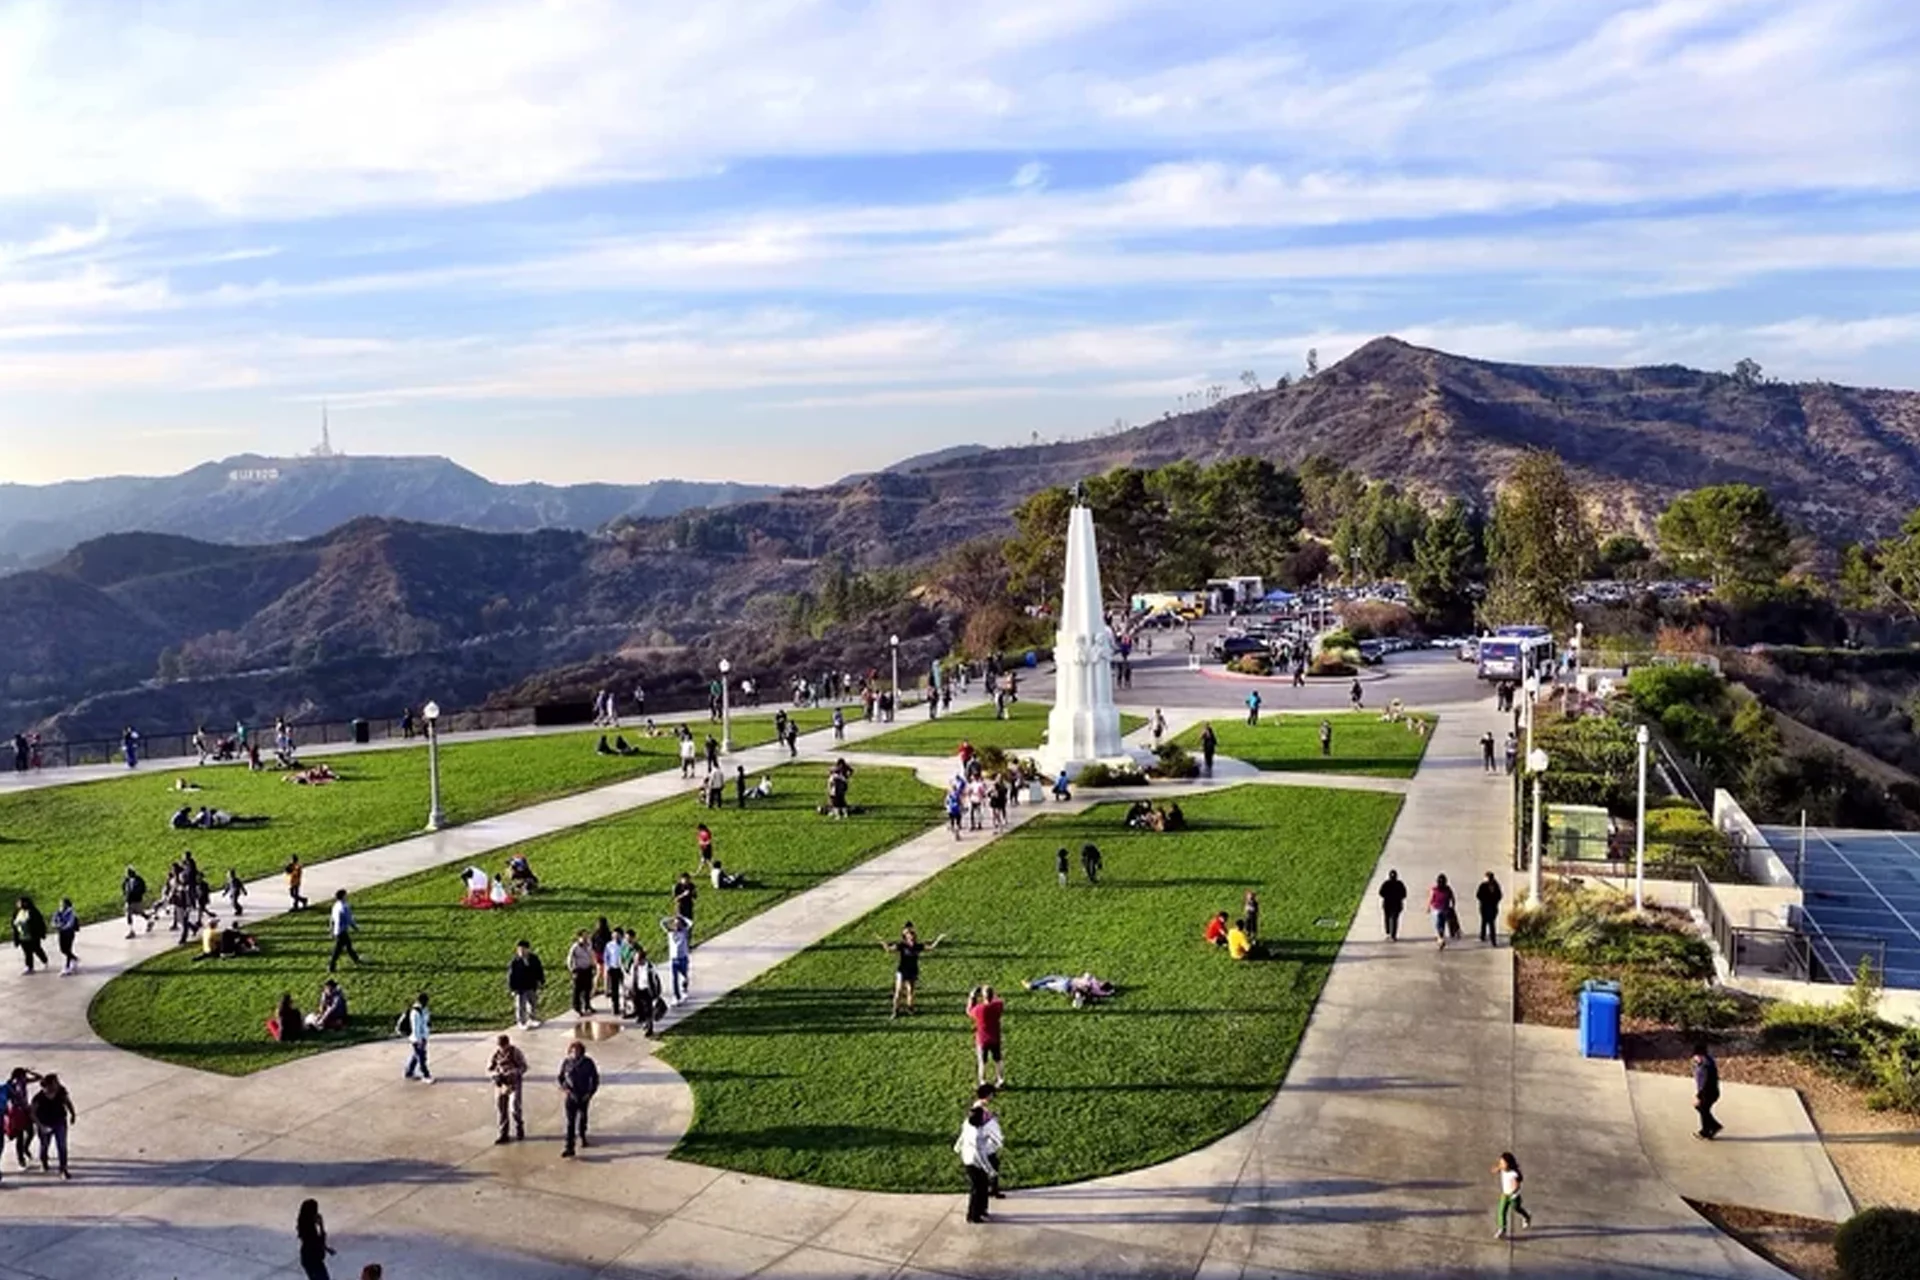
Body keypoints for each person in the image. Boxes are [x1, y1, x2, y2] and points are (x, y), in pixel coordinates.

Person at [879, 922, 944, 1018]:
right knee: (898, 991)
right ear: (906, 937)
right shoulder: (902, 945)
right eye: (910, 936)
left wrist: (939, 939)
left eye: (913, 936)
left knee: (910, 991)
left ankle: (910, 1008)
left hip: (913, 971)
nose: (912, 938)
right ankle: (895, 1011)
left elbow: (931, 947)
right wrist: (883, 942)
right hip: (902, 971)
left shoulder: (918, 946)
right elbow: (889, 950)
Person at [955, 1104, 1001, 1224]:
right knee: (977, 1189)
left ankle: (981, 1210)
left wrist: (957, 1147)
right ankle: (973, 1215)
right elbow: (981, 1156)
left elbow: (962, 1135)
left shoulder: (967, 1123)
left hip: (969, 1158)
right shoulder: (976, 1135)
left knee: (982, 1186)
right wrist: (990, 1170)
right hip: (974, 1163)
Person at [558, 1040, 600, 1158]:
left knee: (583, 1118)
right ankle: (569, 1147)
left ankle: (582, 1135)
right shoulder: (566, 1062)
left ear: (582, 1052)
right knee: (570, 1122)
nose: (574, 1053)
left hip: (584, 1096)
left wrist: (590, 1093)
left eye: (577, 1051)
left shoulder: (588, 1063)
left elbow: (595, 1079)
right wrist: (565, 1089)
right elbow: (561, 1078)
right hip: (571, 1096)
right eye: (572, 1051)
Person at [29, 1072, 74, 1179]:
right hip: (45, 1124)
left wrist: (72, 1113)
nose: (58, 1084)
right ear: (48, 1085)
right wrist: (40, 1126)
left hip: (60, 1122)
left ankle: (63, 1169)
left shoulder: (61, 1091)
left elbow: (67, 1102)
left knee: (62, 1146)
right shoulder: (38, 1098)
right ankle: (44, 1162)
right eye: (55, 1082)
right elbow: (32, 1113)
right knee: (45, 1145)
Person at [489, 1034, 529, 1144]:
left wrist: (513, 1072)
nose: (502, 1048)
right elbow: (489, 1068)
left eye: (503, 1046)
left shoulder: (515, 1052)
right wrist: (494, 1075)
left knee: (514, 1108)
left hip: (514, 1084)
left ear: (508, 1044)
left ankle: (519, 1125)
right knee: (501, 1109)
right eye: (500, 1046)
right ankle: (503, 1134)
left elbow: (524, 1067)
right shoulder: (496, 1054)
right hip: (501, 1084)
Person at [967, 986, 1006, 1089]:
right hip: (995, 1038)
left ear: (983, 997)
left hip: (982, 1040)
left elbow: (969, 1011)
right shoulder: (997, 1006)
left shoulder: (979, 1009)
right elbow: (999, 1000)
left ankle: (983, 1082)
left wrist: (972, 997)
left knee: (982, 1062)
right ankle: (1000, 1080)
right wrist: (993, 994)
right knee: (998, 1060)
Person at [1493, 1152, 1532, 1238]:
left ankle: (1527, 1216)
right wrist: (1497, 1169)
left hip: (1514, 1196)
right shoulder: (1503, 1169)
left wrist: (1513, 1192)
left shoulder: (1514, 1174)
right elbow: (1499, 1168)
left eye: (1503, 1163)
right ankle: (1502, 1229)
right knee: (1501, 1211)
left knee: (1516, 1208)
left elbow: (1517, 1185)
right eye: (1500, 1163)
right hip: (1505, 1194)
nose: (1501, 1165)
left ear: (1509, 1164)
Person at [509, 939, 546, 1029]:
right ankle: (521, 1021)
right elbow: (511, 976)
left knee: (533, 1003)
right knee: (521, 1005)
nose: (521, 951)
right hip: (520, 987)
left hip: (531, 985)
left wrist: (541, 980)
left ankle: (532, 1018)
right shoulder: (515, 961)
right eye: (519, 949)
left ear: (528, 949)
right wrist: (513, 989)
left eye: (523, 949)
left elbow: (539, 970)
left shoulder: (534, 959)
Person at [296, 1198, 336, 1280]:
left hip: (309, 1259)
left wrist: (326, 1249)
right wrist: (321, 1225)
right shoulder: (308, 1228)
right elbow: (318, 1241)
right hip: (313, 1260)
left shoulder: (305, 1225)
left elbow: (316, 1242)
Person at [1692, 1043, 1723, 1139]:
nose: (1694, 1058)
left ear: (1700, 1055)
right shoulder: (1705, 1062)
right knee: (1702, 1109)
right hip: (1709, 1091)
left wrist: (1699, 1095)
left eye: (1696, 1056)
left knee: (1702, 1108)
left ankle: (1708, 1130)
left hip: (1709, 1092)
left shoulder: (1706, 1065)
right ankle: (1712, 1128)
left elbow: (1705, 1082)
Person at [12, 896, 48, 974]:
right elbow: (14, 925)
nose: (18, 904)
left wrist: (42, 933)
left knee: (37, 949)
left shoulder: (33, 912)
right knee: (27, 952)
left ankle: (44, 960)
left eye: (19, 902)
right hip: (22, 936)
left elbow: (40, 923)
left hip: (33, 935)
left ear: (25, 903)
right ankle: (29, 967)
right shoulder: (17, 913)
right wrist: (16, 939)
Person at [660, 914, 691, 1004]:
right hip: (673, 959)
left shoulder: (684, 932)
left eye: (679, 924)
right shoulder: (670, 933)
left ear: (682, 924)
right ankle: (676, 996)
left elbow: (690, 923)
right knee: (674, 979)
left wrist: (682, 917)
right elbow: (662, 922)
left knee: (684, 977)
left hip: (683, 958)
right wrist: (672, 918)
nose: (677, 925)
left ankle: (684, 991)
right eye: (675, 924)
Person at [327, 889, 361, 972]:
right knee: (337, 950)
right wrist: (355, 927)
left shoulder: (336, 905)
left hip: (337, 930)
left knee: (348, 945)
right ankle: (331, 966)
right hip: (341, 931)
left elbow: (332, 918)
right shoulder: (344, 907)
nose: (347, 896)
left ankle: (356, 959)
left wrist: (331, 929)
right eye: (346, 895)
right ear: (343, 896)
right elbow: (349, 919)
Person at [402, 991, 432, 1082]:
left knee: (417, 1055)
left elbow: (426, 1022)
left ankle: (409, 1072)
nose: (427, 1003)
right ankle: (426, 1075)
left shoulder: (424, 1010)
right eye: (425, 1001)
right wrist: (419, 1041)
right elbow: (415, 1028)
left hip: (423, 1037)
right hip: (417, 1039)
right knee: (422, 1057)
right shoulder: (415, 1012)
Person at [567, 931, 597, 1016]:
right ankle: (577, 1007)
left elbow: (592, 956)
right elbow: (570, 958)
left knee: (588, 989)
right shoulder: (575, 947)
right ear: (579, 937)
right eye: (583, 937)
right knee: (577, 990)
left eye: (586, 936)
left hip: (588, 969)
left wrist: (593, 966)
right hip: (579, 970)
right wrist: (572, 969)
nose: (585, 938)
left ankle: (587, 1005)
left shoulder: (589, 945)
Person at [122, 864, 152, 937]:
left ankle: (150, 920)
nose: (127, 874)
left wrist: (138, 894)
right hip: (129, 901)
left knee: (140, 913)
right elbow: (123, 888)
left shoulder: (139, 880)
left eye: (129, 872)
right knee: (128, 915)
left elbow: (143, 889)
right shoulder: (126, 880)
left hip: (137, 900)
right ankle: (131, 930)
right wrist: (125, 895)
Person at [1429, 875, 1456, 951]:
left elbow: (1431, 898)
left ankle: (1440, 939)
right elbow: (1453, 898)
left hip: (1437, 909)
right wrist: (1453, 907)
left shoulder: (1435, 889)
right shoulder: (1447, 889)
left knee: (1438, 925)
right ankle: (1441, 939)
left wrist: (1428, 907)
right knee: (1441, 925)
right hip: (1444, 909)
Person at [1476, 873, 1504, 946]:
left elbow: (1499, 895)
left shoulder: (1494, 885)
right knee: (1485, 922)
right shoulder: (1483, 885)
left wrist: (1494, 901)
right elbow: (1478, 895)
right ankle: (1484, 936)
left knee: (1490, 923)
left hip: (1491, 907)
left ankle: (1492, 940)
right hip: (1486, 907)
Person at [52, 897, 78, 975]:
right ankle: (74, 958)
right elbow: (53, 921)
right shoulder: (58, 912)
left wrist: (62, 927)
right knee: (62, 949)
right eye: (60, 904)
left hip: (69, 933)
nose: (61, 905)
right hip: (61, 933)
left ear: (67, 904)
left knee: (67, 948)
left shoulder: (71, 913)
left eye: (63, 904)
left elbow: (70, 923)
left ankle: (67, 967)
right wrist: (55, 925)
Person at [1379, 870, 1408, 941]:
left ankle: (1389, 933)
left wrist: (1387, 896)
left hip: (1388, 904)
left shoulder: (1386, 883)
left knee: (1387, 919)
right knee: (1394, 919)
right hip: (1396, 904)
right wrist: (1399, 897)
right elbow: (1404, 894)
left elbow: (1381, 893)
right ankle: (1393, 935)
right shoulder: (1399, 884)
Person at [673, 873, 698, 942]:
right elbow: (675, 899)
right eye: (685, 880)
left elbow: (695, 897)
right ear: (681, 880)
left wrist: (694, 893)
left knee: (689, 925)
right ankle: (679, 942)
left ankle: (688, 943)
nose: (687, 882)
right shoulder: (677, 886)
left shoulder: (691, 885)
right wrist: (683, 894)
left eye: (688, 880)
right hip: (680, 908)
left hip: (689, 907)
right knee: (679, 925)